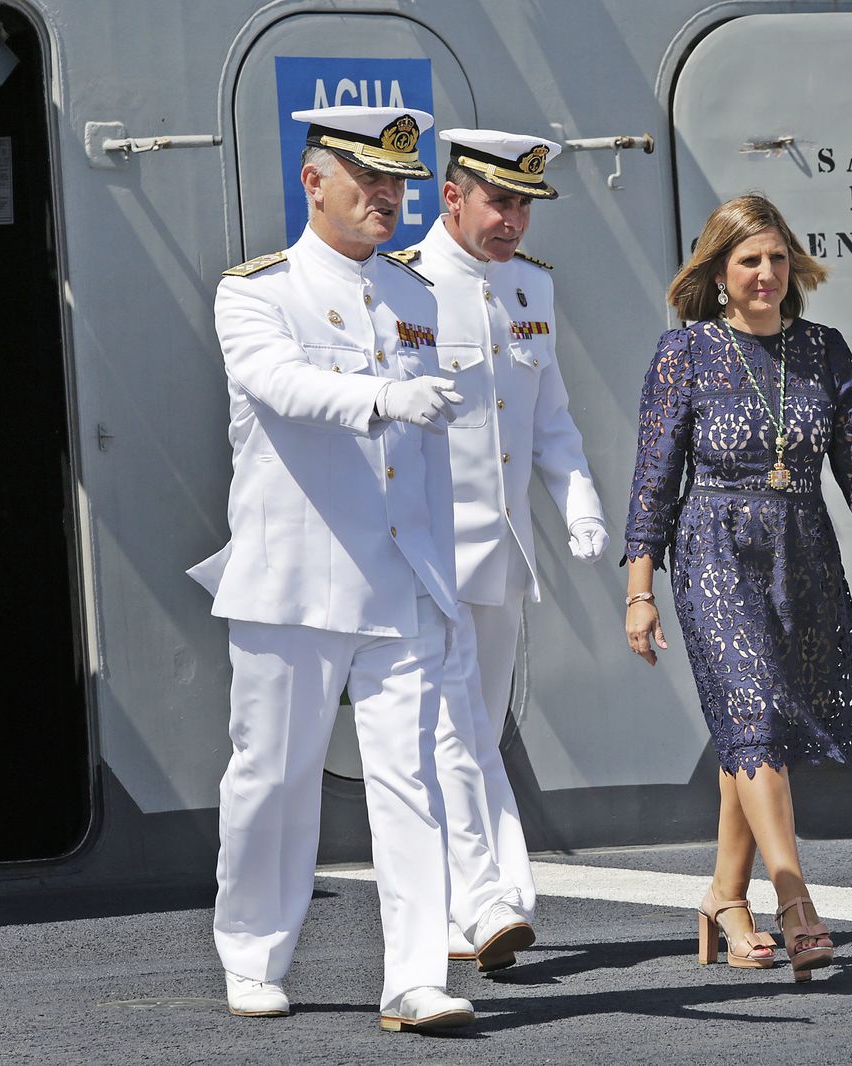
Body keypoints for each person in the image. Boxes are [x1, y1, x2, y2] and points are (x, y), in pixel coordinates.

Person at [187, 104, 478, 1032]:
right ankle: (254, 951)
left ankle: (416, 976)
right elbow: (281, 385)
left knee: (411, 779)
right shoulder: (256, 292)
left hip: (398, 580)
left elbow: (427, 454)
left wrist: (444, 572)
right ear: (314, 182)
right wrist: (384, 394)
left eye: (398, 184)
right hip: (295, 578)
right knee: (272, 775)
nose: (388, 198)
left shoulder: (416, 295)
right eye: (370, 181)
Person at [621, 194, 852, 981]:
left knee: (756, 728)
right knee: (750, 709)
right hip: (713, 545)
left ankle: (724, 896)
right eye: (749, 260)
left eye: (778, 258)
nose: (766, 274)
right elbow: (655, 479)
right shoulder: (686, 353)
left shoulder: (824, 350)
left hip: (800, 550)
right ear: (719, 272)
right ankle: (794, 898)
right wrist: (640, 590)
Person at [400, 129, 608, 970]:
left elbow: (549, 417)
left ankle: (470, 905)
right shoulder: (403, 287)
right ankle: (490, 899)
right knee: (453, 727)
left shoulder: (531, 290)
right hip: (422, 552)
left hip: (499, 552)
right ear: (454, 197)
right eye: (499, 201)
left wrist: (580, 500)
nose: (513, 219)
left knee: (476, 726)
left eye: (524, 204)